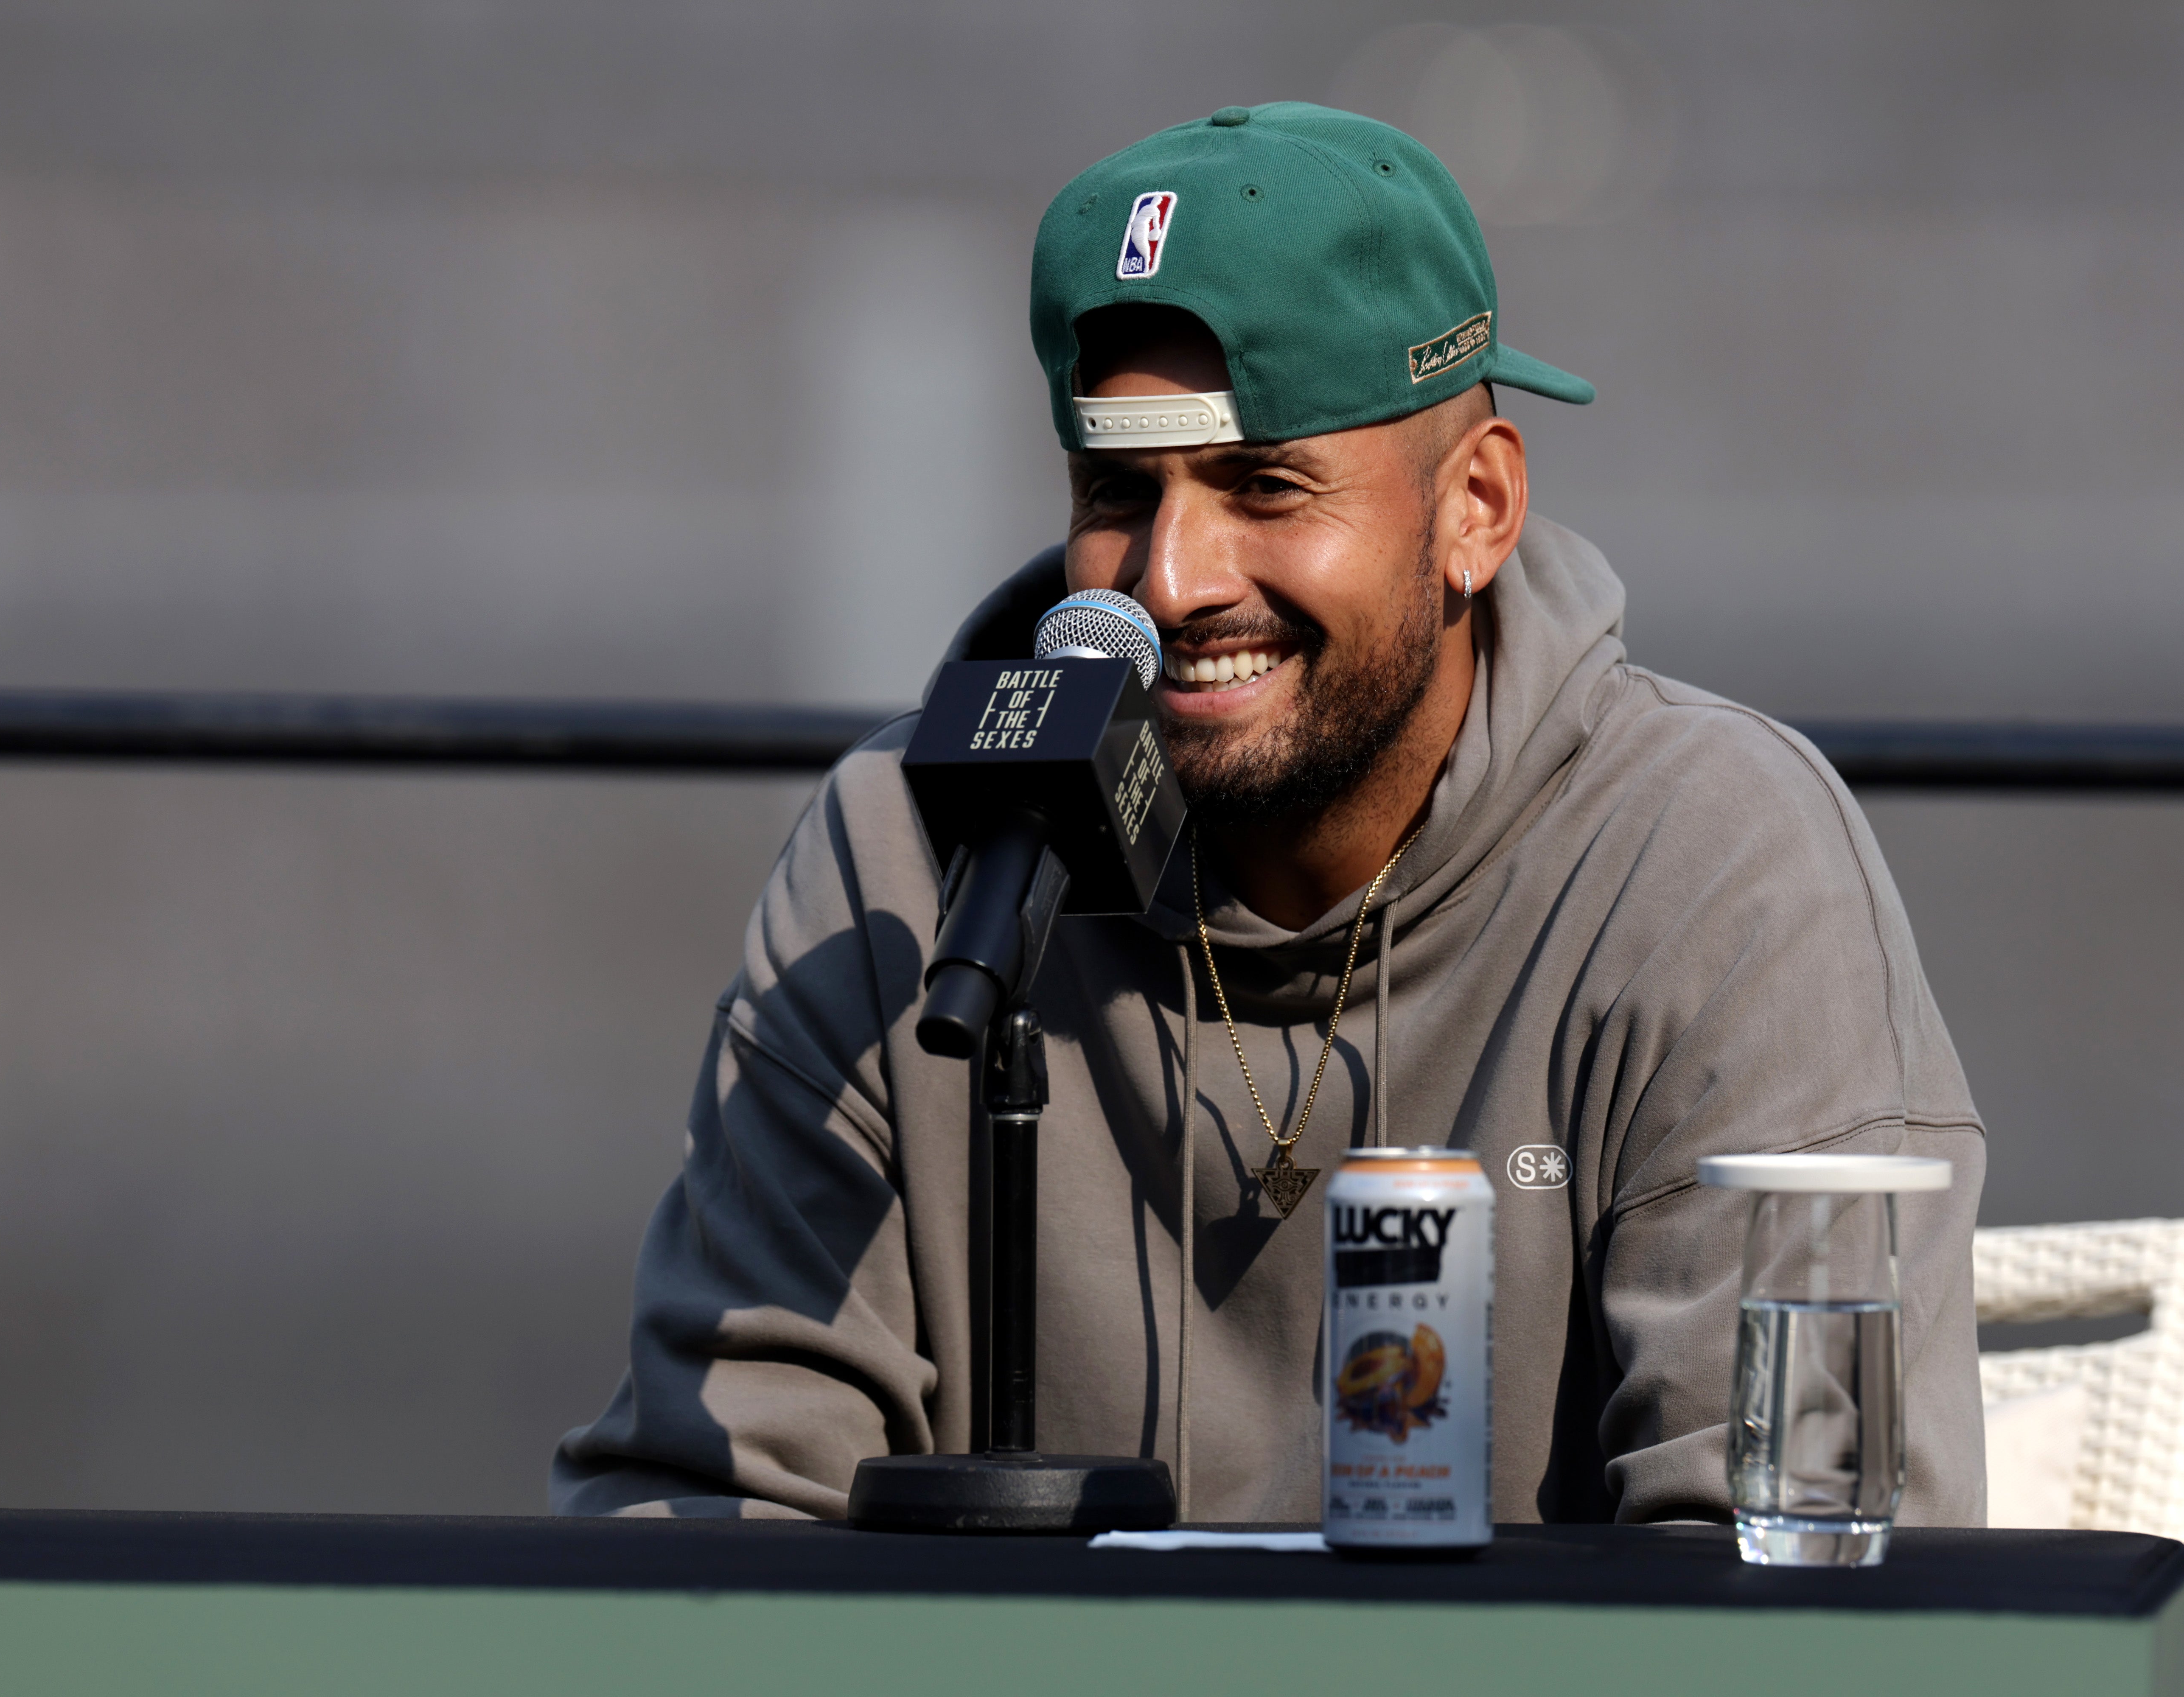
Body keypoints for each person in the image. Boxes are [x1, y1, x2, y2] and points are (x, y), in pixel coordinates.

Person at [554, 102, 1987, 1526]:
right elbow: (707, 1514)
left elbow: (1783, 1580)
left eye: (1266, 486)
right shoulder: (901, 860)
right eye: (1119, 488)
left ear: (1475, 510)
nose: (1170, 581)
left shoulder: (1716, 865)